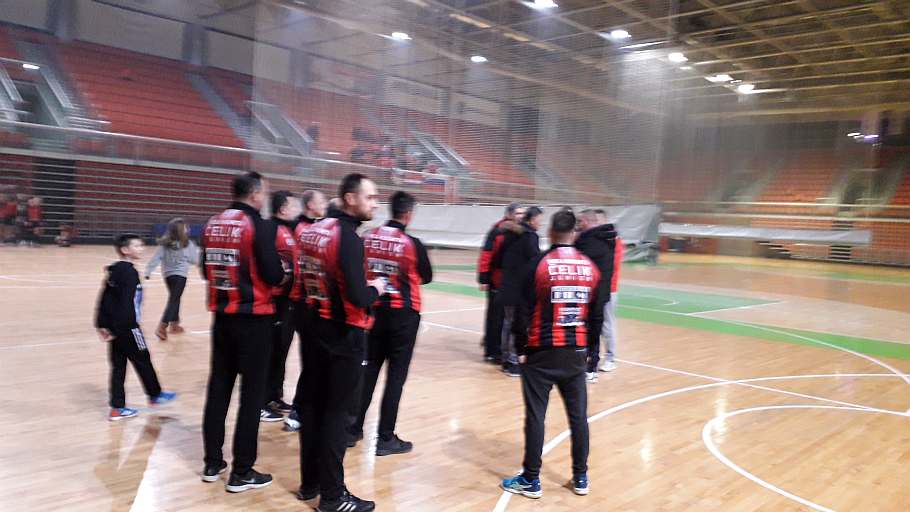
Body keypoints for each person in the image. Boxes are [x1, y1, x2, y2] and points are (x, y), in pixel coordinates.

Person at [297, 173, 385, 512]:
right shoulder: (347, 238)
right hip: (344, 335)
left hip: (314, 328)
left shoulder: (312, 230)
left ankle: (310, 484)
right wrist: (377, 288)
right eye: (370, 197)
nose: (375, 203)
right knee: (337, 415)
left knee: (312, 407)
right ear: (350, 198)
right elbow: (359, 296)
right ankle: (333, 497)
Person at [500, 209, 602, 500]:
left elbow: (522, 311)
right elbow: (597, 315)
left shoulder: (538, 264)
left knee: (536, 417)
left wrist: (521, 348)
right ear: (575, 233)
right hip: (575, 352)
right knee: (578, 417)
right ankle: (580, 476)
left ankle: (531, 479)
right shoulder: (590, 268)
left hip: (541, 352)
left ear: (550, 232)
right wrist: (590, 352)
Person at [200, 171, 286, 493]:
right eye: (264, 192)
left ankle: (212, 463)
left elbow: (205, 270)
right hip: (254, 319)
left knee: (218, 389)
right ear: (255, 194)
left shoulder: (212, 224)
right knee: (251, 397)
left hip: (222, 318)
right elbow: (274, 274)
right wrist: (283, 273)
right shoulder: (259, 227)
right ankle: (242, 471)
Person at [349, 191, 432, 456]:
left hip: (374, 310)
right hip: (403, 316)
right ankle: (385, 438)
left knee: (368, 372)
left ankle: (353, 429)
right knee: (395, 377)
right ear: (408, 214)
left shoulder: (368, 237)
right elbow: (427, 276)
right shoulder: (412, 243)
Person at [95, 233, 177, 421]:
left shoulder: (115, 271)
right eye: (137, 246)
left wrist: (102, 324)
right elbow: (125, 303)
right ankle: (155, 395)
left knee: (118, 367)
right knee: (143, 358)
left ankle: (117, 408)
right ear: (125, 250)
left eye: (141, 245)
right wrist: (131, 326)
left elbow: (105, 299)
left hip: (115, 328)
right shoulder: (129, 273)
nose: (141, 249)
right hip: (128, 327)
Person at [285, 189, 328, 433]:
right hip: (304, 302)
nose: (324, 204)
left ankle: (304, 409)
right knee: (312, 360)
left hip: (306, 302)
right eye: (321, 201)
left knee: (314, 360)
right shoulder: (303, 231)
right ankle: (299, 411)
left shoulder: (308, 228)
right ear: (311, 205)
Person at [261, 191, 302, 422]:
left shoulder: (289, 230)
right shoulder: (271, 229)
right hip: (274, 301)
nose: (298, 210)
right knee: (270, 352)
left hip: (288, 301)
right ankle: (261, 403)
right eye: (294, 206)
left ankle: (274, 396)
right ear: (283, 209)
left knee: (281, 351)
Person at [497, 206, 543, 377]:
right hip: (520, 288)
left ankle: (506, 359)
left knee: (508, 323)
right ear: (532, 219)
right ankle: (513, 361)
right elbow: (535, 261)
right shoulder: (530, 237)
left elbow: (499, 258)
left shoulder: (509, 234)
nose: (541, 223)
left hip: (508, 285)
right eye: (539, 220)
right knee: (517, 325)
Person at [576, 209, 622, 375]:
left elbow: (612, 265)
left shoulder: (611, 241)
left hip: (609, 288)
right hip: (600, 288)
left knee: (606, 325)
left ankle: (610, 358)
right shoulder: (596, 238)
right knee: (596, 325)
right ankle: (592, 358)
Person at [477, 203, 524, 364]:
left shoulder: (521, 231)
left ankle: (503, 349)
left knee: (507, 318)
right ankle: (492, 351)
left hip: (512, 282)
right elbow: (486, 254)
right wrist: (483, 278)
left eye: (522, 213)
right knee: (495, 317)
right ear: (509, 214)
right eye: (518, 213)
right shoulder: (498, 231)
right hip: (497, 281)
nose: (521, 216)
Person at [145, 218, 200, 341]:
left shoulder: (165, 244)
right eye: (186, 227)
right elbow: (195, 260)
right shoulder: (187, 244)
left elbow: (156, 257)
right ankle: (162, 326)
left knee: (175, 298)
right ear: (181, 230)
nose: (188, 229)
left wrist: (148, 271)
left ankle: (174, 325)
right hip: (180, 276)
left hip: (168, 276)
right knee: (174, 300)